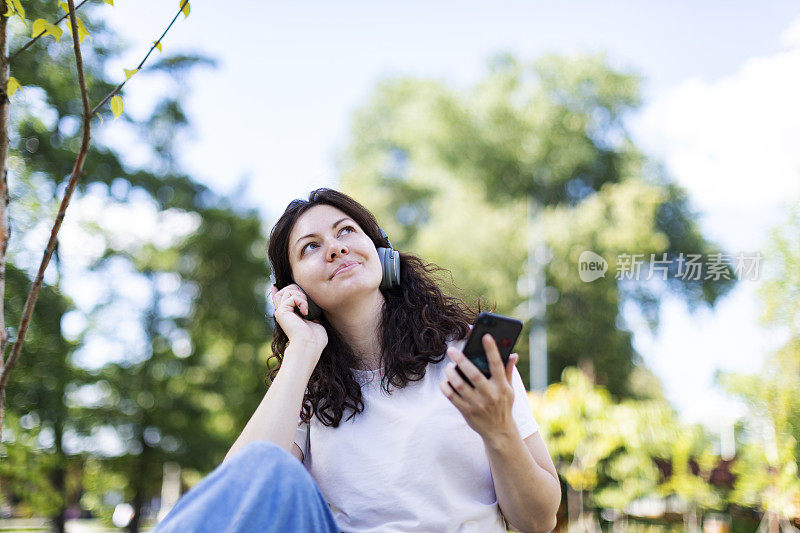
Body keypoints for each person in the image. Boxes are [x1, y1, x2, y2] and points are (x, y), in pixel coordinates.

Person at [157, 188, 560, 533]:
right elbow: (241, 487)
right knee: (265, 461)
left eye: (346, 230)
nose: (335, 248)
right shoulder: (306, 385)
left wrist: (498, 430)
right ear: (289, 291)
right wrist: (302, 348)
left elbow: (539, 521)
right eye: (310, 247)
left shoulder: (465, 352)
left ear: (380, 249)